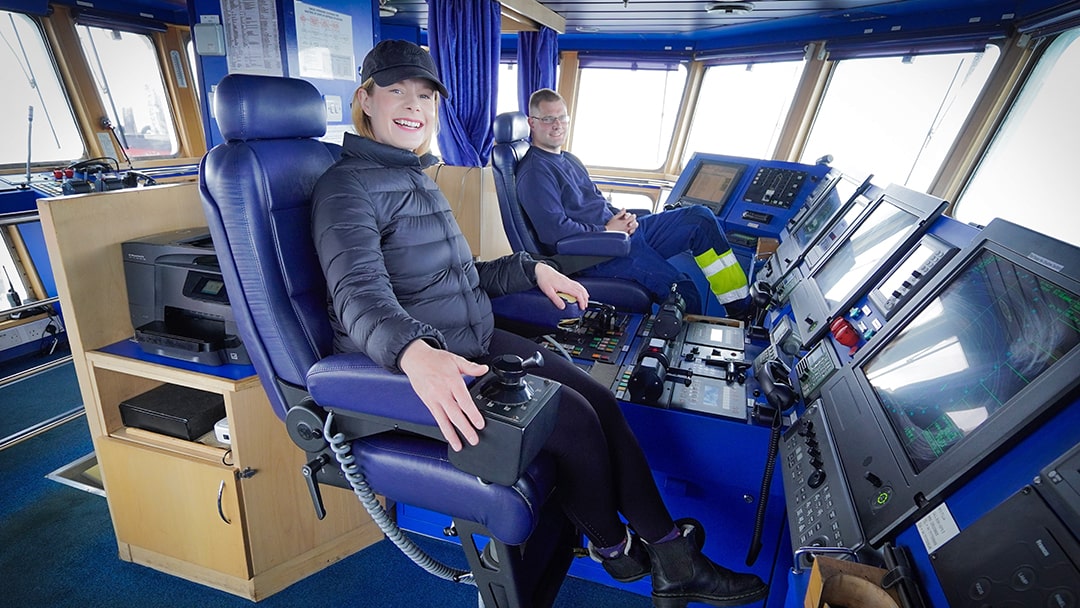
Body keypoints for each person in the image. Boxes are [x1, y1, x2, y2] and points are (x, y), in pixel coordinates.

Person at [311, 39, 767, 608]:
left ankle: (674, 558)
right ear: (366, 100)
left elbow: (461, 274)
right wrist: (412, 353)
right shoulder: (345, 186)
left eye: (425, 95)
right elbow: (357, 295)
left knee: (602, 402)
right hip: (428, 360)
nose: (414, 105)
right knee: (573, 419)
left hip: (470, 336)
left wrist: (534, 268)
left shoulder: (413, 175)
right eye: (397, 91)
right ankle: (616, 545)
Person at [515, 88, 751, 317]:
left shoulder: (569, 159)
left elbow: (595, 202)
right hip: (595, 255)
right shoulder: (535, 172)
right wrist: (607, 231)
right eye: (547, 119)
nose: (557, 125)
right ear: (532, 122)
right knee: (684, 292)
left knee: (700, 219)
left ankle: (742, 309)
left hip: (618, 236)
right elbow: (554, 234)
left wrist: (624, 219)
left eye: (562, 117)